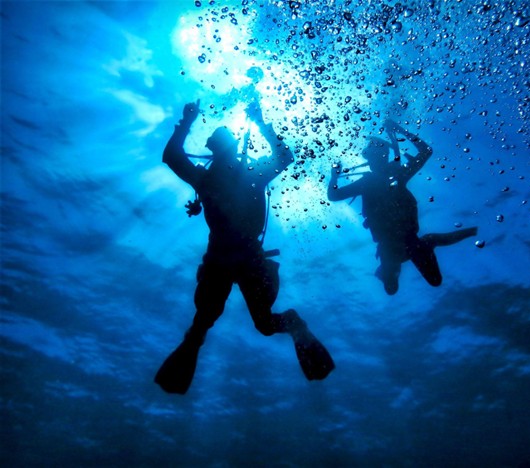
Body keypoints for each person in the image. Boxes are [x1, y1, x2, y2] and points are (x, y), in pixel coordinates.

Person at [155, 99, 334, 394]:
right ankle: (195, 343)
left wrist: (190, 121)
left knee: (259, 324)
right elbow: (171, 157)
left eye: (223, 144)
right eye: (218, 144)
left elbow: (284, 157)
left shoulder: (240, 175)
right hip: (225, 257)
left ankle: (293, 324)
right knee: (204, 321)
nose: (222, 150)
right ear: (215, 149)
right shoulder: (217, 177)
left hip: (244, 256)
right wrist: (190, 121)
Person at [327, 118, 477, 295]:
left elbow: (426, 151)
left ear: (384, 157)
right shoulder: (375, 180)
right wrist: (400, 130)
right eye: (371, 156)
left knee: (433, 281)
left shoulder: (394, 175)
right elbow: (333, 196)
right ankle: (434, 240)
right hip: (391, 248)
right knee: (393, 288)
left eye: (377, 156)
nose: (375, 160)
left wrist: (401, 130)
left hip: (406, 243)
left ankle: (434, 240)